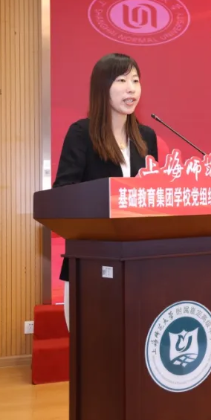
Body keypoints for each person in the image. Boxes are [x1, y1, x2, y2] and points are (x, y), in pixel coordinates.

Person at [52, 53, 158, 329]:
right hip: (92, 257)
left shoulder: (146, 137)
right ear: (102, 87)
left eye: (135, 80)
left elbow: (153, 194)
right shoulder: (82, 133)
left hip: (139, 259)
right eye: (121, 80)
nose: (131, 88)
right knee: (93, 338)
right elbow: (63, 191)